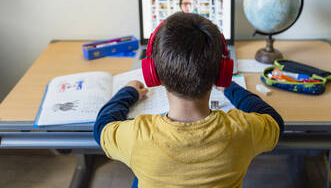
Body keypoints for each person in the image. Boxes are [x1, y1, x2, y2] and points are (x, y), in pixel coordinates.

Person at [94, 12, 284, 188]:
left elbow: (102, 128)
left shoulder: (138, 137)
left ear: (153, 74)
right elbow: (274, 121)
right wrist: (230, 87)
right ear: (222, 73)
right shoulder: (243, 130)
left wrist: (128, 91)